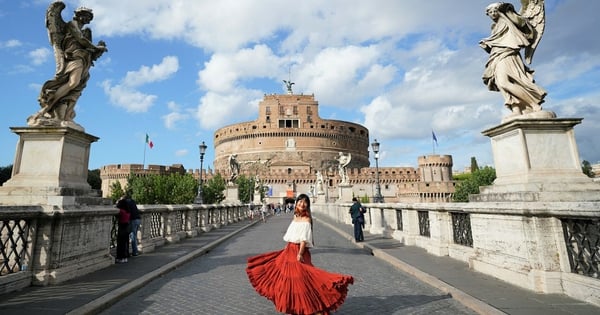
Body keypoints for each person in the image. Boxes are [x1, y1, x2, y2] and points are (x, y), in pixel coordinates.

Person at [246, 194, 354, 315]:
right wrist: (286, 249)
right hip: (289, 251)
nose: (302, 204)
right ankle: (297, 305)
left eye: (305, 202)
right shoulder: (296, 217)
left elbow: (304, 239)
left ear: (307, 205)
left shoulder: (307, 219)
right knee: (289, 280)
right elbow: (292, 235)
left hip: (298, 252)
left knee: (303, 280)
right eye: (300, 202)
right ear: (296, 203)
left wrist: (300, 254)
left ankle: (314, 306)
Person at [31, 3, 107, 126]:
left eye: (89, 17)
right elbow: (81, 40)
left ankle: (67, 115)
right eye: (85, 15)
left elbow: (89, 48)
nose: (87, 18)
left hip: (84, 60)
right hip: (73, 57)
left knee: (77, 88)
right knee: (73, 83)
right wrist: (96, 47)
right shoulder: (72, 24)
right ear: (78, 15)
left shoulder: (86, 31)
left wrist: (98, 50)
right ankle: (47, 108)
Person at [479, 2, 546, 117]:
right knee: (501, 84)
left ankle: (534, 103)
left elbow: (523, 24)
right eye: (490, 12)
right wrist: (488, 45)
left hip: (508, 54)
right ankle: (516, 108)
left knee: (505, 82)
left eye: (495, 10)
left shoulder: (509, 20)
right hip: (497, 55)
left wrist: (508, 11)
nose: (493, 13)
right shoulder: (494, 27)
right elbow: (500, 41)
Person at [115, 198, 131, 263]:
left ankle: (120, 257)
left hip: (121, 228)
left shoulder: (121, 211)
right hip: (126, 228)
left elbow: (116, 210)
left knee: (120, 244)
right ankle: (124, 257)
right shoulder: (128, 211)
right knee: (124, 244)